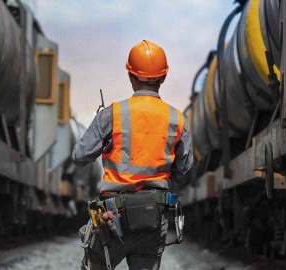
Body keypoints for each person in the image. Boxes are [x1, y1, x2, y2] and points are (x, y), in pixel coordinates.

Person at [72, 40, 193, 270]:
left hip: (112, 217)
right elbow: (184, 172)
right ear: (163, 78)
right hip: (154, 218)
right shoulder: (177, 119)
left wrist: (105, 144)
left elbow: (79, 156)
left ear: (130, 75)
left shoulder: (112, 115)